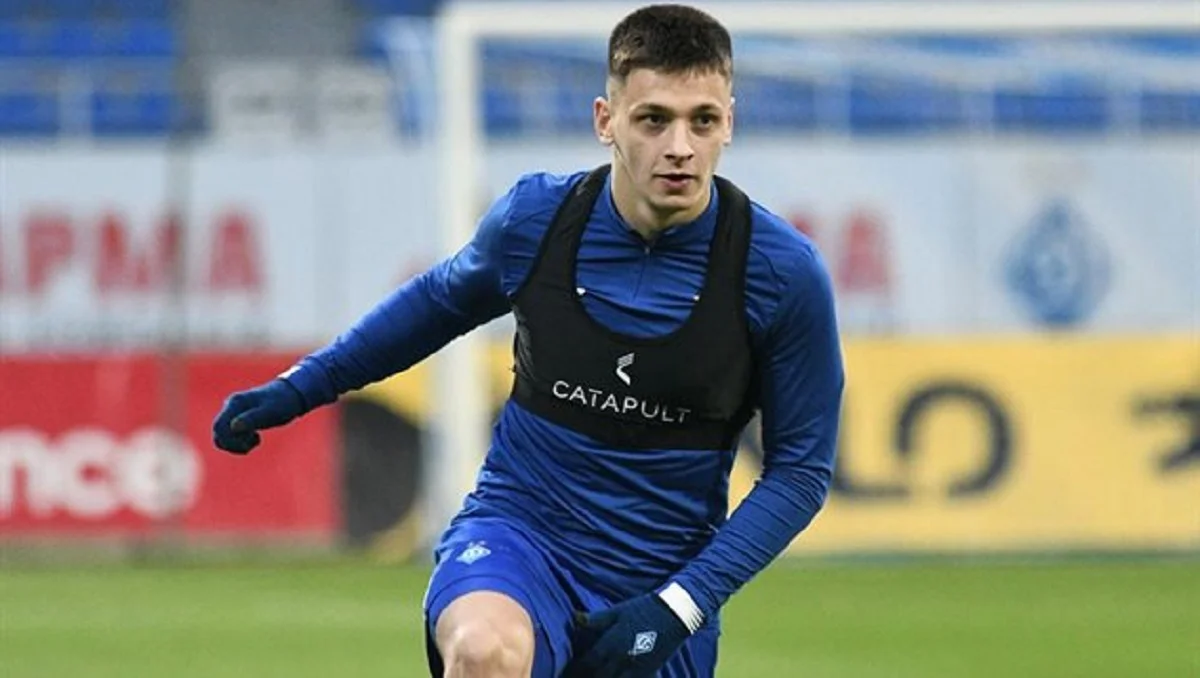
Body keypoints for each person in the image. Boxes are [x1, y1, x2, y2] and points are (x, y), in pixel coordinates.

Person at [212, 4, 844, 677]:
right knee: (483, 651)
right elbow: (437, 303)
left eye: (703, 121)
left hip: (664, 578)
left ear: (730, 124)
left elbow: (800, 471)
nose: (680, 146)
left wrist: (681, 605)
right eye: (654, 119)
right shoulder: (538, 220)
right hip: (522, 536)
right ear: (606, 120)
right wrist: (301, 386)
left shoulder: (780, 273)